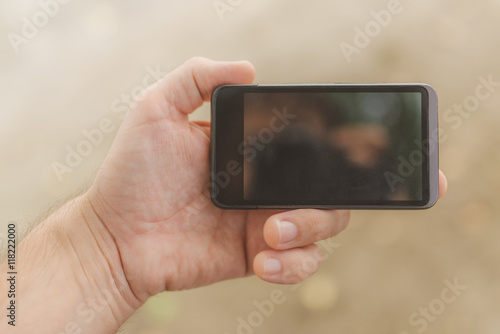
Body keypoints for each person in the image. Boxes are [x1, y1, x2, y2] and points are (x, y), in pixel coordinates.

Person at [0, 57, 448, 333]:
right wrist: (100, 246)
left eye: (301, 136)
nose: (288, 150)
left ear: (342, 141)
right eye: (277, 132)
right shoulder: (185, 171)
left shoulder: (349, 159)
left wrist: (104, 258)